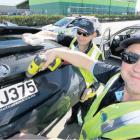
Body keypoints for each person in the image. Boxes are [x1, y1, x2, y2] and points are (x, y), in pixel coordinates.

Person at [41, 33, 140, 139]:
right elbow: (87, 62)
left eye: (85, 34)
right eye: (131, 57)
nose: (137, 68)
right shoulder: (117, 75)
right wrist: (56, 52)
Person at [22, 18, 103, 125]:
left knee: (86, 114)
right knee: (74, 107)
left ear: (94, 35)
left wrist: (92, 90)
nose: (80, 36)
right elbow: (51, 35)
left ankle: (84, 125)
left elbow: (100, 78)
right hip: (74, 86)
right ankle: (73, 118)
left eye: (85, 34)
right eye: (78, 32)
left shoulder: (97, 54)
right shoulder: (73, 41)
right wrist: (34, 35)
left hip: (87, 93)